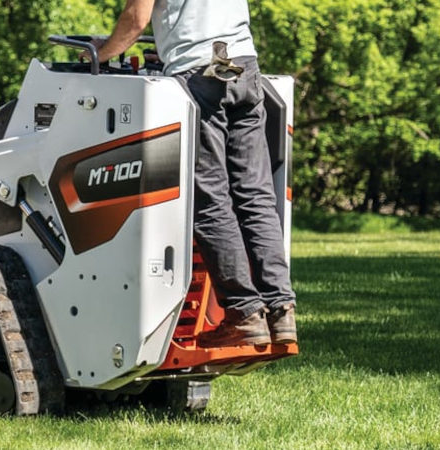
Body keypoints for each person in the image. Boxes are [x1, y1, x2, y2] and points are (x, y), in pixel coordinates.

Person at [90, 0, 296, 346]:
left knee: (211, 198)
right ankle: (281, 308)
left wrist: (102, 53)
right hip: (244, 66)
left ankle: (244, 314)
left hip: (201, 76)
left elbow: (136, 19)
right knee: (256, 195)